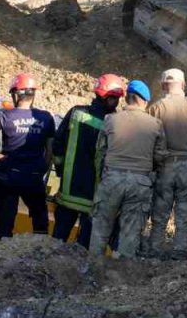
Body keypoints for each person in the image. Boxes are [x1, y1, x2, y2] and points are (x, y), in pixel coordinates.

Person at [90, 80, 166, 258]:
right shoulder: (155, 124)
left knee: (100, 228)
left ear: (128, 99)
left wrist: (102, 177)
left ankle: (93, 268)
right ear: (143, 101)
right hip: (140, 182)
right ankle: (122, 278)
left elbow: (100, 152)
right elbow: (160, 157)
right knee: (130, 234)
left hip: (112, 179)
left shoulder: (110, 120)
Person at [52, 73, 126, 248]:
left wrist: (61, 171)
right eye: (114, 98)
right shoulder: (114, 124)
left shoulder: (76, 113)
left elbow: (58, 146)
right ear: (104, 97)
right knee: (83, 249)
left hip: (67, 192)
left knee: (55, 243)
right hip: (94, 198)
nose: (117, 103)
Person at [146, 69, 187, 253]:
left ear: (162, 85)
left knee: (159, 212)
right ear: (183, 85)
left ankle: (155, 248)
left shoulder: (155, 108)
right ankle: (181, 250)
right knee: (186, 212)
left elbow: (148, 142)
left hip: (163, 168)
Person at [0, 73, 55, 240]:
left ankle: (1, 251)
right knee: (40, 222)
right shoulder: (45, 118)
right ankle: (39, 253)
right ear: (33, 95)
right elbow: (50, 150)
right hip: (33, 177)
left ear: (15, 94)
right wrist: (42, 168)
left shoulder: (4, 115)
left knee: (4, 224)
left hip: (9, 175)